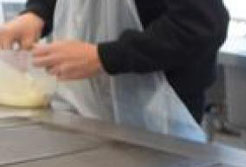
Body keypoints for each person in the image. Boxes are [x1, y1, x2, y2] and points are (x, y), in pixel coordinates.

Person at [0, 0, 229, 140]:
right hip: (84, 116)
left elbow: (203, 25)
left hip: (160, 120)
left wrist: (103, 56)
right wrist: (37, 13)